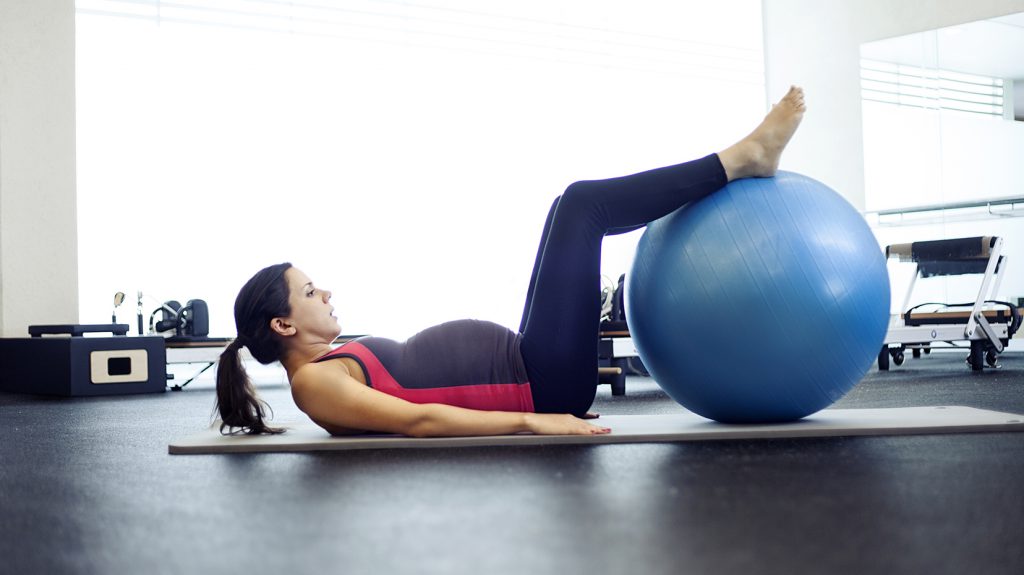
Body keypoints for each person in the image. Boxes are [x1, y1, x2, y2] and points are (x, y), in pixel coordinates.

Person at [216, 86, 807, 437]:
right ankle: (742, 159)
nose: (326, 293)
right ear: (283, 325)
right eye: (311, 291)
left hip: (529, 361)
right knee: (584, 206)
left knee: (563, 208)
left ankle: (737, 161)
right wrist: (535, 422)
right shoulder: (315, 383)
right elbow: (419, 423)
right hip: (540, 385)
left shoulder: (329, 364)